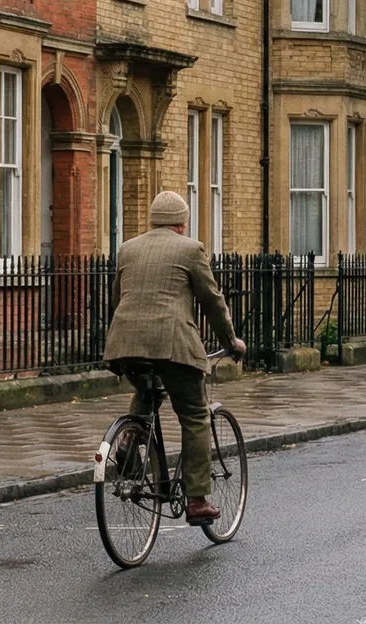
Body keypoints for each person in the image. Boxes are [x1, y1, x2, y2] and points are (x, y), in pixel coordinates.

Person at [102, 190, 245, 525]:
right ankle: (197, 500)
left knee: (147, 392)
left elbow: (116, 299)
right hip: (172, 345)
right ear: (182, 223)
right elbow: (212, 301)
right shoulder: (190, 249)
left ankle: (128, 440)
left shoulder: (127, 248)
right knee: (195, 415)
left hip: (125, 343)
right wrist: (231, 341)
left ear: (153, 221)